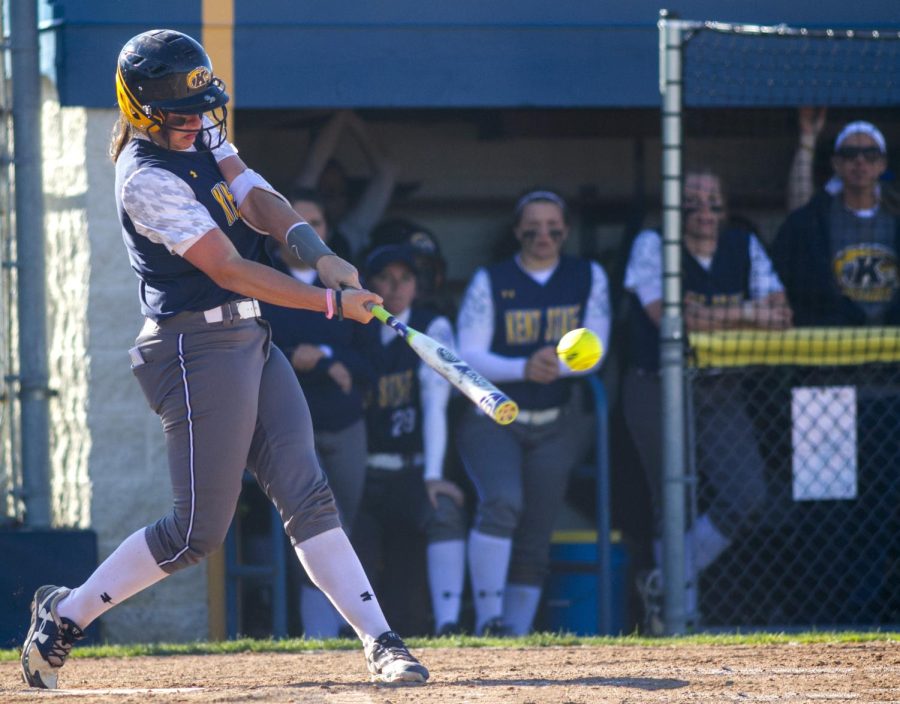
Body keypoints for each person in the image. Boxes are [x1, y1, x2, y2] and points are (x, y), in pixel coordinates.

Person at [20, 29, 427, 688]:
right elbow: (231, 269)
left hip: (249, 338)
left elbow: (257, 198)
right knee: (194, 534)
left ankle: (382, 641)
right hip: (191, 347)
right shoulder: (145, 179)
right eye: (181, 115)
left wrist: (317, 251)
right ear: (143, 112)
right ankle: (63, 617)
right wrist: (328, 303)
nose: (198, 123)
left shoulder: (203, 136)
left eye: (203, 108)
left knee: (308, 493)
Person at [622, 168, 793, 633]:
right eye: (692, 202)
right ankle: (680, 617)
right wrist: (746, 313)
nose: (704, 212)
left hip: (720, 387)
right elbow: (671, 320)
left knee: (746, 494)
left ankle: (665, 583)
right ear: (674, 208)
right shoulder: (653, 245)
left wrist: (718, 314)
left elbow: (782, 315)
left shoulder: (742, 244)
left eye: (713, 201)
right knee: (670, 499)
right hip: (656, 384)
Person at [455, 189, 611, 636]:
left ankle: (517, 636)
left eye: (553, 225)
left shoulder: (587, 275)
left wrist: (556, 367)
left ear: (566, 229)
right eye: (533, 225)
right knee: (502, 502)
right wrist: (523, 367)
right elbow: (468, 353)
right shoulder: (492, 278)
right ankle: (489, 623)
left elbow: (598, 348)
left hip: (557, 420)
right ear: (517, 230)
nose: (543, 234)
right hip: (495, 417)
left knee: (537, 528)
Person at [257, 188, 376, 638]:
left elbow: (370, 363)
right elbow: (252, 345)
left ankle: (356, 631)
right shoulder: (264, 282)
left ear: (326, 232)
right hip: (290, 424)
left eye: (316, 226)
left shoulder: (346, 283)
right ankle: (318, 636)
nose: (305, 235)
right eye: (296, 224)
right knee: (315, 523)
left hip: (345, 423)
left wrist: (326, 357)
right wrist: (300, 356)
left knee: (347, 520)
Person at [352, 244, 468, 636]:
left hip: (413, 469)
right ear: (370, 283)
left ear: (418, 285)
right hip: (362, 470)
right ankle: (335, 638)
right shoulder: (354, 326)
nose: (396, 287)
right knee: (352, 552)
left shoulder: (432, 326)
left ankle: (447, 628)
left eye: (405, 278)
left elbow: (436, 403)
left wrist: (433, 475)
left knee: (410, 585)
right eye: (385, 278)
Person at [773, 120, 900, 326]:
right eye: (850, 154)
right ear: (836, 164)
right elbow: (799, 210)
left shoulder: (895, 216)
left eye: (870, 154)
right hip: (837, 341)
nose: (860, 161)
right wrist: (808, 138)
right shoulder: (819, 218)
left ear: (882, 165)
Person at [294, 110, 397, 258]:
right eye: (326, 192)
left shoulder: (348, 236)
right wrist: (340, 116)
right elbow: (312, 170)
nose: (331, 199)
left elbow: (387, 172)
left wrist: (352, 120)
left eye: (338, 192)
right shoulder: (291, 225)